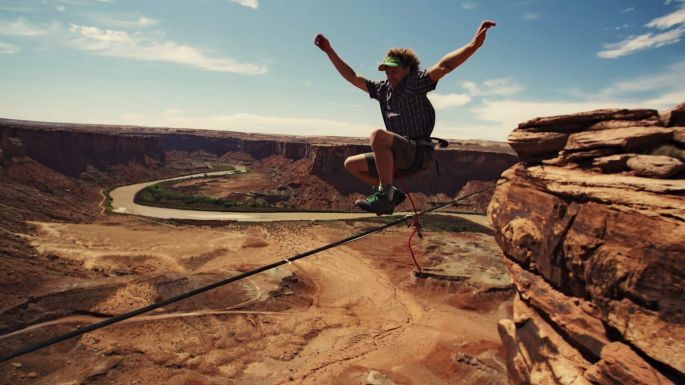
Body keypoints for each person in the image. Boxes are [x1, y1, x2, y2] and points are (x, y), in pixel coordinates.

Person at [314, 21, 496, 215]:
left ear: (407, 69)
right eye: (386, 70)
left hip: (418, 153)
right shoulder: (383, 90)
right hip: (399, 158)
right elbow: (352, 76)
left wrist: (473, 46)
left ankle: (385, 195)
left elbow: (445, 66)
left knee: (378, 135)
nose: (389, 73)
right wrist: (329, 51)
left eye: (393, 69)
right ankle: (392, 192)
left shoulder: (415, 83)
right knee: (351, 164)